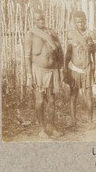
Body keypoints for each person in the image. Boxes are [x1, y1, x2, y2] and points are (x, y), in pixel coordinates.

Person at [24, 9, 64, 138]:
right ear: (34, 21)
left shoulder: (51, 32)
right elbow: (27, 56)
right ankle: (42, 129)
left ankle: (51, 127)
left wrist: (61, 68)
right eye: (38, 19)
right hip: (38, 72)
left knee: (52, 100)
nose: (41, 21)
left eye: (42, 19)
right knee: (40, 101)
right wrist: (29, 75)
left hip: (52, 71)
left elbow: (60, 52)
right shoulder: (31, 34)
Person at [64, 11, 96, 128]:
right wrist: (65, 69)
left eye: (82, 21)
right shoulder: (71, 35)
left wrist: (95, 69)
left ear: (86, 21)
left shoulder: (91, 34)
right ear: (75, 23)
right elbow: (68, 53)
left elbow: (94, 54)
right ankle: (73, 121)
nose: (80, 24)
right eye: (78, 22)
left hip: (87, 68)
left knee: (88, 95)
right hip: (74, 69)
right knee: (73, 95)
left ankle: (90, 120)